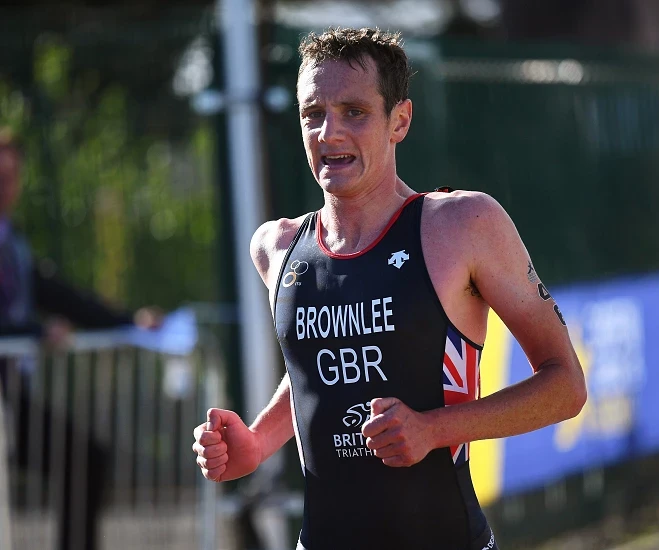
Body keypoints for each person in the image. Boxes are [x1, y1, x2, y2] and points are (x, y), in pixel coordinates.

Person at [192, 28, 586, 550]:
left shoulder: (462, 224)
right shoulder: (277, 247)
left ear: (399, 120)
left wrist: (432, 428)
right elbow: (317, 371)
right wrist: (257, 442)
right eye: (313, 113)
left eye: (354, 112)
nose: (329, 132)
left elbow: (565, 386)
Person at [0, 129, 161, 550]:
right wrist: (33, 332)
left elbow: (58, 295)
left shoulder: (11, 240)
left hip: (11, 396)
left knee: (83, 459)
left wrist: (128, 322)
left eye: (11, 178)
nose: (6, 188)